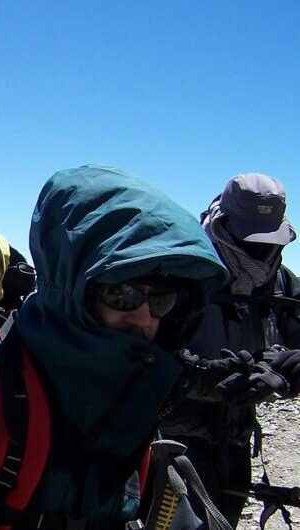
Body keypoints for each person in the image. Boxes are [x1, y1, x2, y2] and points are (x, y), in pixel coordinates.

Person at [0, 165, 228, 527]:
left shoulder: (134, 400)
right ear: (72, 288)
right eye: (121, 293)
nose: (144, 317)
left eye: (162, 301)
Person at [159, 173, 300, 527]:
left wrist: (282, 373)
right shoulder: (178, 272)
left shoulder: (281, 283)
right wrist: (201, 377)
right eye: (250, 238)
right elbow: (133, 354)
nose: (262, 250)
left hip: (233, 443)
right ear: (222, 224)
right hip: (170, 443)